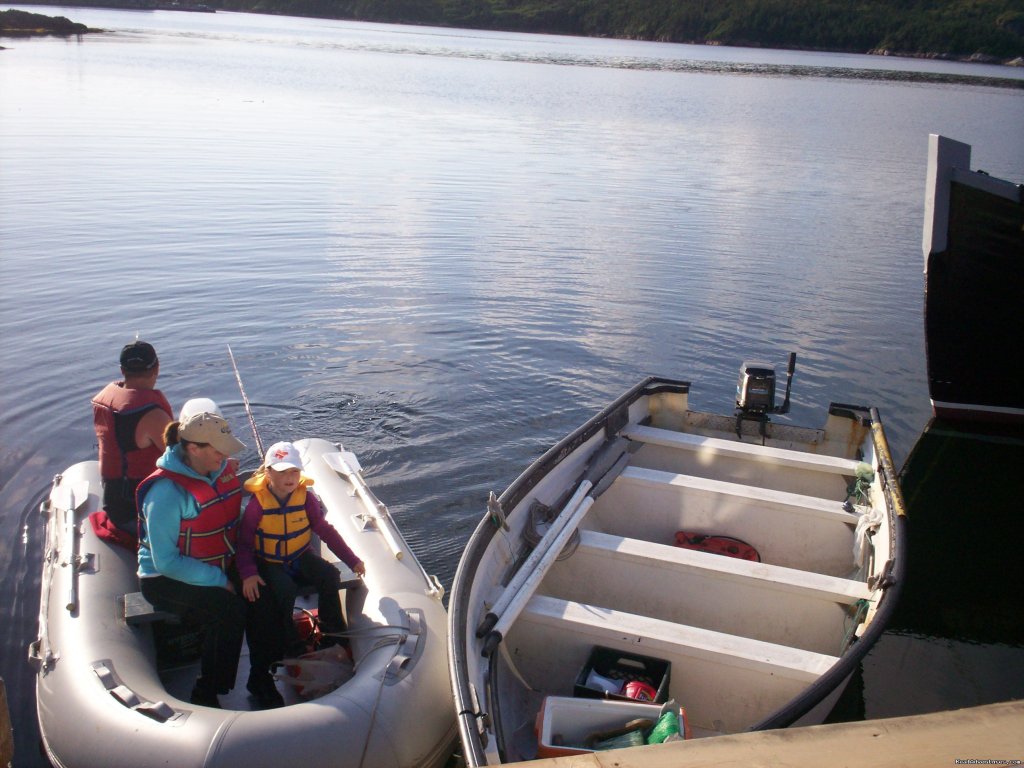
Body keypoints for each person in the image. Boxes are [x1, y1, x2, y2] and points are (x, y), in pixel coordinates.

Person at [137, 410, 283, 709]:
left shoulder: (217, 469)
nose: (224, 455)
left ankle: (261, 676)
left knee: (264, 595)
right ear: (193, 448)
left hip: (218, 559)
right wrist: (221, 581)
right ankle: (206, 690)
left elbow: (226, 511)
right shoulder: (165, 494)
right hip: (166, 578)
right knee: (226, 610)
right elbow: (165, 561)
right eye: (218, 449)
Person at [238, 441, 365, 661]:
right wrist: (249, 573)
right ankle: (290, 641)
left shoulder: (305, 498)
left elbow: (325, 531)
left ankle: (331, 632)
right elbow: (244, 544)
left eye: (294, 471)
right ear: (268, 474)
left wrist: (351, 560)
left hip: (300, 556)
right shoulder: (256, 505)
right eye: (282, 471)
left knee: (329, 575)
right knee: (284, 590)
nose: (289, 477)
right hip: (270, 562)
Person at [91, 340, 173, 533]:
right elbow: (185, 459)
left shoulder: (108, 401)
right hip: (139, 511)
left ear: (122, 370)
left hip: (115, 503)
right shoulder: (153, 415)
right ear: (157, 368)